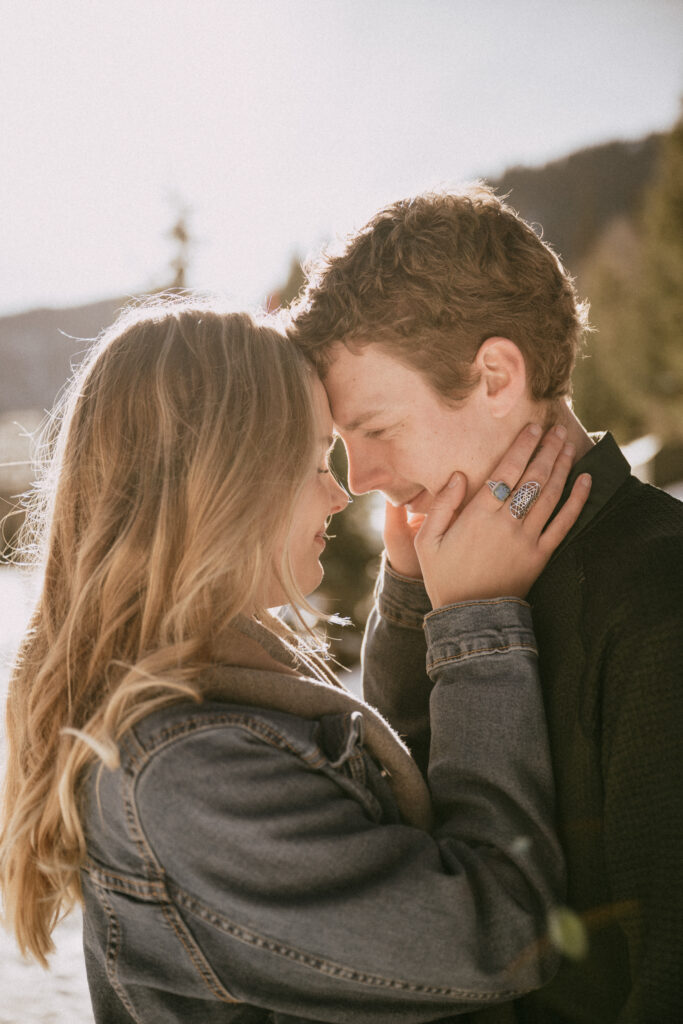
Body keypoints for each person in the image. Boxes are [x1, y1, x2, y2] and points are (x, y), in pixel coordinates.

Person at [0, 296, 591, 1023]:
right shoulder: (183, 778)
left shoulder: (227, 686)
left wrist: (412, 599)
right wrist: (477, 626)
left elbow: (402, 830)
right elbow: (499, 932)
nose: (340, 492)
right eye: (312, 459)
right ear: (222, 484)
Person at [290, 186, 683, 1024]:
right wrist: (406, 603)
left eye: (378, 428)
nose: (358, 479)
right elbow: (415, 841)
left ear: (495, 375)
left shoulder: (659, 599)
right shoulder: (456, 572)